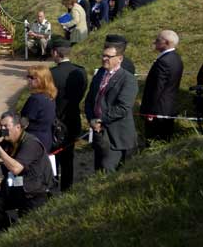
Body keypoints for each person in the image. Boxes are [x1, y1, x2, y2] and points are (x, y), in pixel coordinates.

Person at [0, 112, 56, 231]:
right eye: (1, 126)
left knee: (28, 230)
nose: (2, 129)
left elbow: (16, 168)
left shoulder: (31, 143)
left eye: (5, 126)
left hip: (34, 193)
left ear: (17, 127)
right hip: (16, 188)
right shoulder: (8, 141)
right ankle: (9, 229)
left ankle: (18, 229)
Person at [84, 41, 138, 173]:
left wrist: (101, 120)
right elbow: (90, 99)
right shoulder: (100, 74)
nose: (104, 59)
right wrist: (91, 119)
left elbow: (123, 107)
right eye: (103, 55)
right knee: (98, 170)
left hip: (116, 135)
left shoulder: (127, 79)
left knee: (108, 171)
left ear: (119, 59)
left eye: (108, 56)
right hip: (99, 132)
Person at [49, 39, 87, 191]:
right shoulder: (81, 71)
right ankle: (67, 189)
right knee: (68, 158)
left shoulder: (51, 74)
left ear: (55, 53)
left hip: (54, 121)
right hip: (72, 119)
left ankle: (51, 187)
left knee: (53, 157)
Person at [140, 30, 184, 142]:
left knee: (154, 140)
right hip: (169, 108)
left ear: (167, 43)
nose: (155, 42)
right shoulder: (176, 58)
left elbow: (156, 88)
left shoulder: (163, 62)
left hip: (157, 111)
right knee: (165, 140)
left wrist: (150, 111)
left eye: (158, 40)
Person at [20, 66, 57, 151]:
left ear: (41, 80)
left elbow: (24, 123)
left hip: (34, 141)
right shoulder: (49, 96)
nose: (28, 79)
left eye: (32, 77)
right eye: (28, 76)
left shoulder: (35, 99)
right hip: (46, 138)